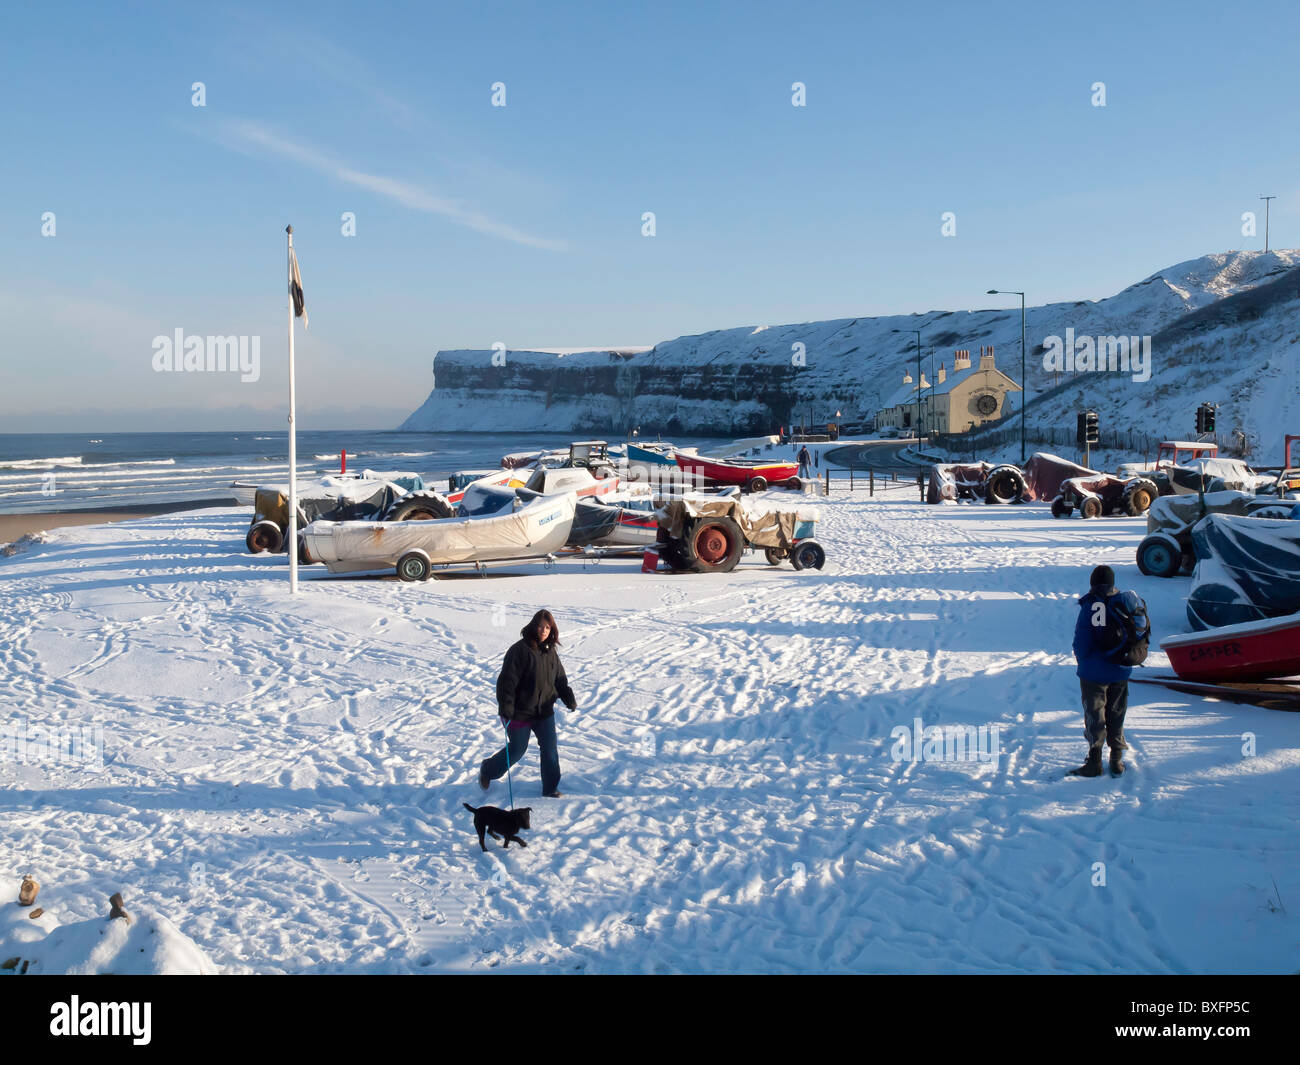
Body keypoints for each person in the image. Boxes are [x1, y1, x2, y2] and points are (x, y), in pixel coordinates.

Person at [478, 609, 576, 798]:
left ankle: (550, 789)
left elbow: (560, 678)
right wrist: (506, 708)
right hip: (519, 712)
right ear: (533, 626)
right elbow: (507, 682)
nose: (543, 630)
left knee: (550, 749)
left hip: (544, 712)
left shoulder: (550, 651)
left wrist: (568, 697)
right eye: (540, 626)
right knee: (516, 750)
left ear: (552, 629)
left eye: (547, 627)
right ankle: (488, 769)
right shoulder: (520, 650)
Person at [1070, 565, 1144, 777]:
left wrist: (1083, 660)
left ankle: (1094, 762)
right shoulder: (1124, 602)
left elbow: (1083, 639)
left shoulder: (1092, 605)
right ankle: (1116, 760)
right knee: (1117, 713)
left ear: (1093, 583)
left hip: (1093, 673)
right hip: (1120, 669)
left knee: (1095, 715)